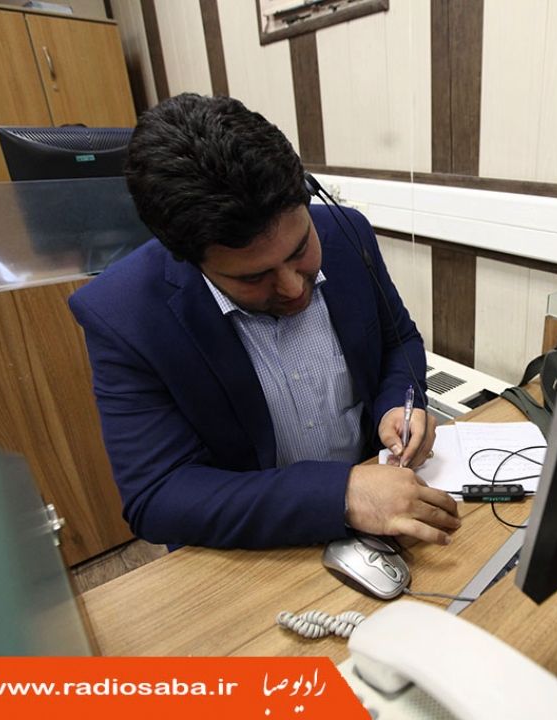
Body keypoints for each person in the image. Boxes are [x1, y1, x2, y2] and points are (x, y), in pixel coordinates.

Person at [69, 93, 460, 549]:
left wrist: (398, 404)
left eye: (300, 250)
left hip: (382, 515)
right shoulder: (122, 313)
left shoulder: (345, 231)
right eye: (253, 277)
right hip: (252, 551)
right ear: (189, 259)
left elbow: (399, 341)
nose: (293, 288)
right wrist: (340, 495)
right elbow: (156, 496)